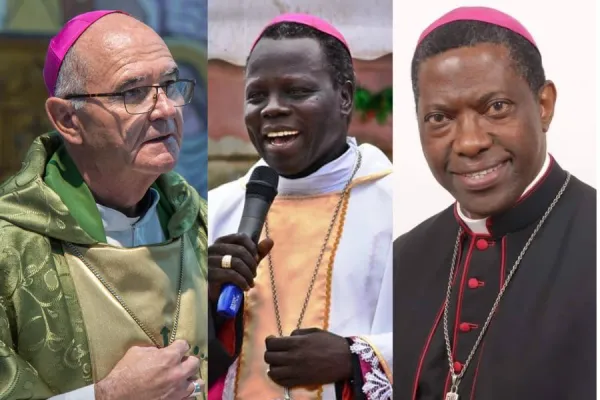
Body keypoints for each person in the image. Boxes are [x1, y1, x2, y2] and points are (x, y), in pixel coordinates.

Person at [0, 10, 207, 400]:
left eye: (170, 84)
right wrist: (107, 396)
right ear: (67, 119)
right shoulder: (9, 247)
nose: (166, 110)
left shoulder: (200, 224)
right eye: (133, 92)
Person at [393, 6, 595, 400]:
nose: (470, 142)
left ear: (543, 105)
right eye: (439, 117)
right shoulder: (401, 258)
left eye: (496, 107)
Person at [207, 13, 393, 400]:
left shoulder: (394, 204)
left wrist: (351, 356)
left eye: (296, 91)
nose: (272, 108)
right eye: (256, 96)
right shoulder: (217, 209)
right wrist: (204, 300)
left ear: (344, 97)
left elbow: (441, 342)